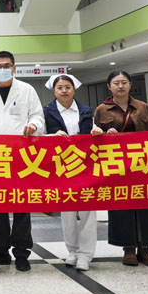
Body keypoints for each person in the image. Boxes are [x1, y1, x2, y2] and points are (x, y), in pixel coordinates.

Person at [0, 51, 44, 272]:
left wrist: (34, 125)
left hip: (21, 155)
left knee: (22, 205)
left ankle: (22, 253)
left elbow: (38, 116)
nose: (2, 69)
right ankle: (1, 251)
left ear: (14, 67)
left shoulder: (27, 90)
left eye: (6, 66)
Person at [92, 70, 148, 267]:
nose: (120, 86)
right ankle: (128, 248)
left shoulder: (143, 107)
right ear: (109, 86)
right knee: (122, 206)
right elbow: (94, 138)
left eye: (124, 82)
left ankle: (146, 248)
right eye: (116, 83)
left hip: (142, 165)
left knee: (147, 206)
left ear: (130, 85)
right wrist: (104, 134)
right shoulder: (102, 110)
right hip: (117, 166)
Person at [42, 74, 97, 271]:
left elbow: (93, 130)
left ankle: (86, 254)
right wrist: (52, 136)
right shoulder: (46, 112)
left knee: (88, 211)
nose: (64, 90)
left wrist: (97, 132)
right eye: (60, 87)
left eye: (67, 87)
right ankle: (72, 251)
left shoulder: (86, 110)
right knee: (67, 212)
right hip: (61, 168)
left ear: (74, 89)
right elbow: (40, 137)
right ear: (54, 91)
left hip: (85, 167)